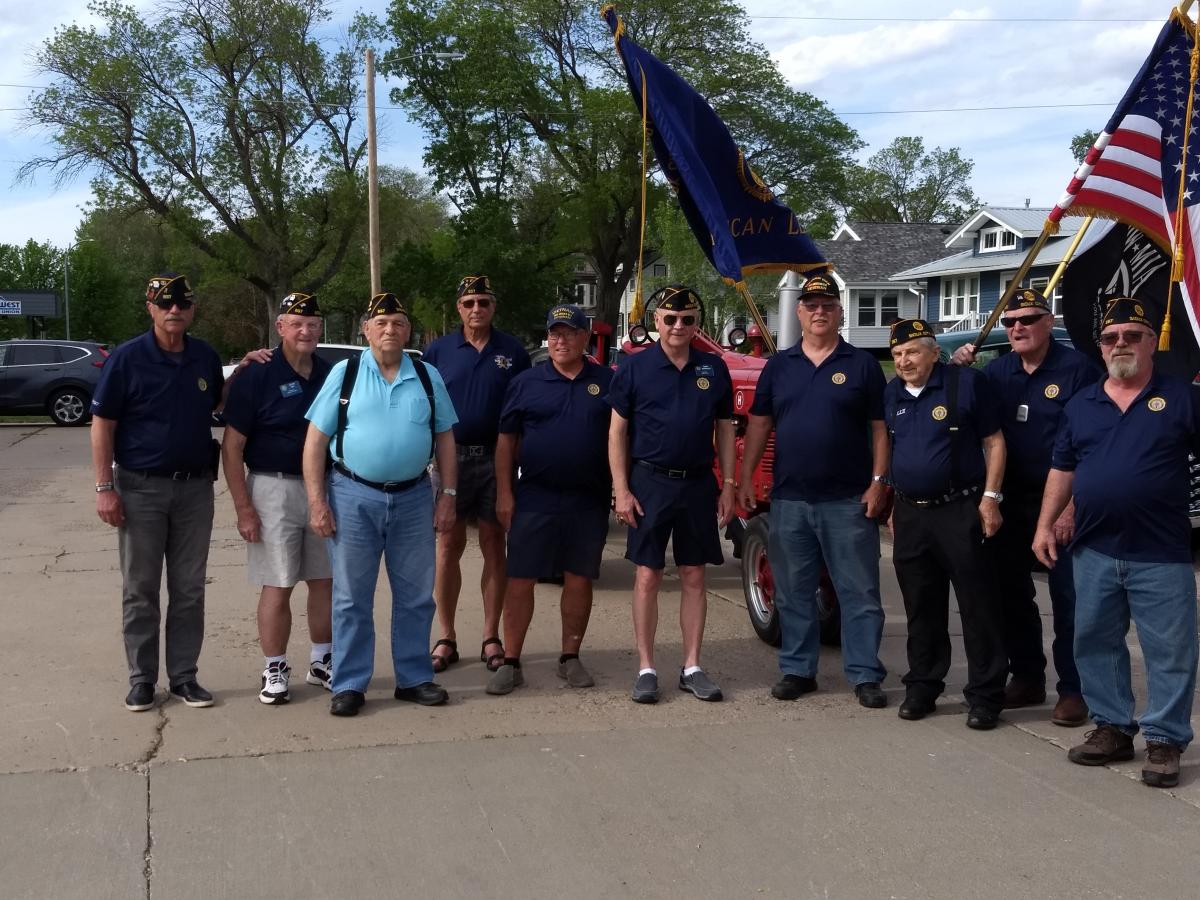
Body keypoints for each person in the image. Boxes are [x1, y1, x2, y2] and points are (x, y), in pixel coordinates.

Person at [1034, 296, 1199, 789]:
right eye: (1110, 337)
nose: (1120, 344)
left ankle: (1165, 740)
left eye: (1131, 335)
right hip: (1095, 548)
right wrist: (1045, 524)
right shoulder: (1082, 404)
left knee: (1169, 649)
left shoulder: (1182, 398)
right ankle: (1112, 727)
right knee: (1095, 641)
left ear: (1152, 342)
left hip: (1161, 550)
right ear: (1100, 347)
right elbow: (1063, 468)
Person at [302, 293, 458, 717]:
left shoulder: (427, 376)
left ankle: (414, 677)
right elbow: (315, 441)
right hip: (353, 495)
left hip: (412, 498)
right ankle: (350, 683)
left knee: (415, 595)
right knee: (351, 596)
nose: (391, 330)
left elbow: (445, 438)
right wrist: (317, 502)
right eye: (382, 323)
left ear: (408, 331)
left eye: (399, 323)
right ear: (366, 330)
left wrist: (447, 496)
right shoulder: (345, 373)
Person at [737, 272, 889, 708]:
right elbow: (761, 424)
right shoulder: (779, 367)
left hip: (847, 500)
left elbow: (880, 431)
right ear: (799, 312)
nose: (819, 312)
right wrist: (746, 478)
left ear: (840, 313)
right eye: (811, 305)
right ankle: (798, 670)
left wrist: (879, 482)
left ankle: (864, 674)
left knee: (858, 592)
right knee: (793, 590)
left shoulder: (862, 366)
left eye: (828, 305)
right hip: (790, 499)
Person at [952, 288, 1100, 727]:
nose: (1018, 327)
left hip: (1063, 504)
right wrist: (957, 372)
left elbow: (1092, 445)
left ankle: (1074, 690)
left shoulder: (1080, 372)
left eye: (1028, 319)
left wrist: (1071, 506)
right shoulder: (996, 372)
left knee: (1070, 599)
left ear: (1049, 321)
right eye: (1010, 321)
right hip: (1008, 501)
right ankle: (1029, 676)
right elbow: (960, 412)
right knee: (1009, 595)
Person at [91, 273, 224, 712]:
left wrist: (253, 368)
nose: (175, 311)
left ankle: (184, 676)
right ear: (150, 308)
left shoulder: (204, 356)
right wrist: (104, 487)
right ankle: (142, 679)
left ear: (192, 310)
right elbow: (102, 426)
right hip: (139, 489)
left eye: (183, 304)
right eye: (165, 304)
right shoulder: (127, 358)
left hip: (195, 490)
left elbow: (220, 406)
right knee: (141, 589)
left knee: (189, 589)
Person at [608, 284, 736, 703]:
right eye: (669, 319)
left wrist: (729, 485)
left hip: (698, 483)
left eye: (687, 319)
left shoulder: (713, 368)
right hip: (650, 481)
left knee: (694, 574)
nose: (678, 326)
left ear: (696, 324)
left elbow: (724, 428)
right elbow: (617, 432)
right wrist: (621, 489)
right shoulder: (633, 368)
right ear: (656, 322)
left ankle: (693, 665)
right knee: (648, 575)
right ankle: (646, 667)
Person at [885, 318, 1008, 729]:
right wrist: (892, 499)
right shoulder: (891, 393)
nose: (904, 361)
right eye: (898, 354)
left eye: (913, 352)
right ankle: (923, 685)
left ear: (934, 352)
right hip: (910, 513)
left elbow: (994, 443)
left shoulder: (965, 384)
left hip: (960, 510)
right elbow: (895, 446)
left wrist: (990, 499)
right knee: (921, 605)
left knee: (978, 605)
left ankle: (986, 696)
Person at [486, 304, 614, 695]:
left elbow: (622, 438)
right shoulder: (526, 382)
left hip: (588, 498)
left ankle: (569, 657)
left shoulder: (608, 381)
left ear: (586, 337)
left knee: (579, 578)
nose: (561, 340)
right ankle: (511, 661)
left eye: (570, 333)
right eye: (555, 333)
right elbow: (506, 442)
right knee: (520, 578)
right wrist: (505, 493)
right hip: (535, 496)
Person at [221, 292, 334, 705]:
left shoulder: (329, 374)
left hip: (323, 488)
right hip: (273, 487)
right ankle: (275, 666)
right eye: (296, 323)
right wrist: (244, 508)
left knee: (324, 580)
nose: (305, 331)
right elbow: (231, 448)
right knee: (279, 582)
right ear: (281, 327)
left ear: (321, 329)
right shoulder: (258, 374)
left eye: (313, 324)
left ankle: (322, 661)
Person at [423, 275, 531, 675]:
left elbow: (521, 412)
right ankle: (447, 636)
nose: (476, 310)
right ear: (459, 308)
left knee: (493, 544)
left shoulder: (512, 352)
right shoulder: (438, 351)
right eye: (469, 303)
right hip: (449, 462)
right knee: (448, 546)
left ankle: (490, 636)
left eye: (483, 302)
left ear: (493, 306)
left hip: (496, 460)